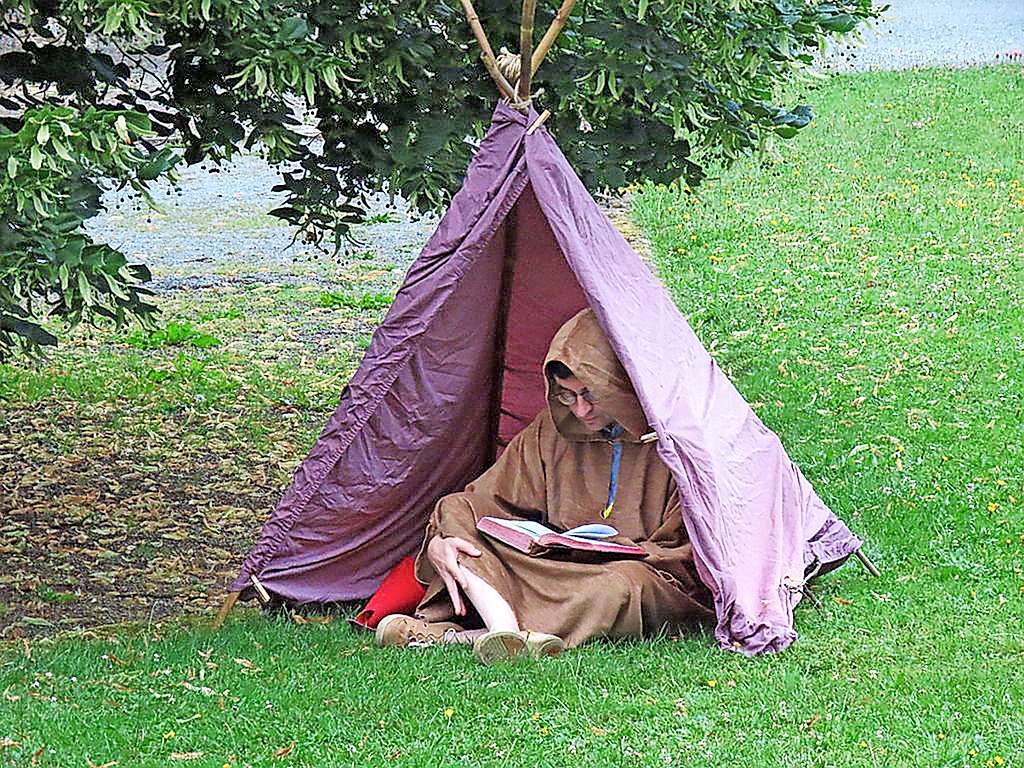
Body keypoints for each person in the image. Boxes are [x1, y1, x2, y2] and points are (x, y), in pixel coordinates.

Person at [375, 309, 714, 663]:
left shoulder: (677, 440)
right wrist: (440, 542)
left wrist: (605, 550)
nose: (581, 410)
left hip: (628, 571)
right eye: (567, 396)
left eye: (590, 394)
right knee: (456, 512)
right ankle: (504, 627)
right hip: (547, 564)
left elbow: (684, 555)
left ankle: (463, 636)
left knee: (618, 589)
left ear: (621, 382)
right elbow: (483, 501)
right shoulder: (552, 431)